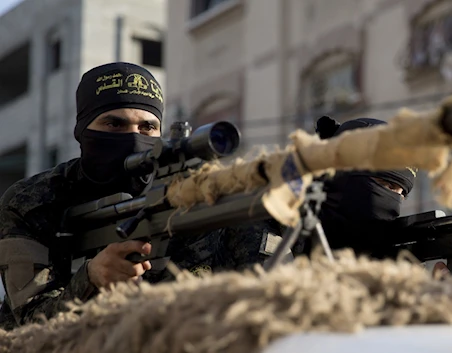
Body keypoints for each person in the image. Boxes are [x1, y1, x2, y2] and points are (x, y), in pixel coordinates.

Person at [0, 62, 283, 330]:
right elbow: (29, 324)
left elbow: (276, 298)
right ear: (82, 132)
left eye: (147, 127)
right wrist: (91, 279)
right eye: (114, 125)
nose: (134, 138)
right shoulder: (32, 202)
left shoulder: (208, 195)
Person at [312, 116, 417, 256]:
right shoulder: (285, 240)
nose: (395, 201)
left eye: (402, 194)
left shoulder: (388, 265)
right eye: (388, 185)